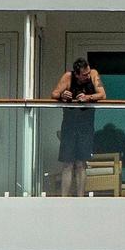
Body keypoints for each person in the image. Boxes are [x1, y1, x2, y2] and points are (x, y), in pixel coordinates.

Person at [50, 58, 105, 196]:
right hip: (69, 123)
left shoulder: (93, 74)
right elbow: (54, 93)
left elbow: (102, 94)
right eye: (84, 74)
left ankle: (80, 197)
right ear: (76, 74)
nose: (87, 76)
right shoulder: (68, 77)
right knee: (67, 163)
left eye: (87, 73)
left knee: (81, 163)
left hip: (86, 124)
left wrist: (88, 97)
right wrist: (63, 95)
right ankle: (64, 197)